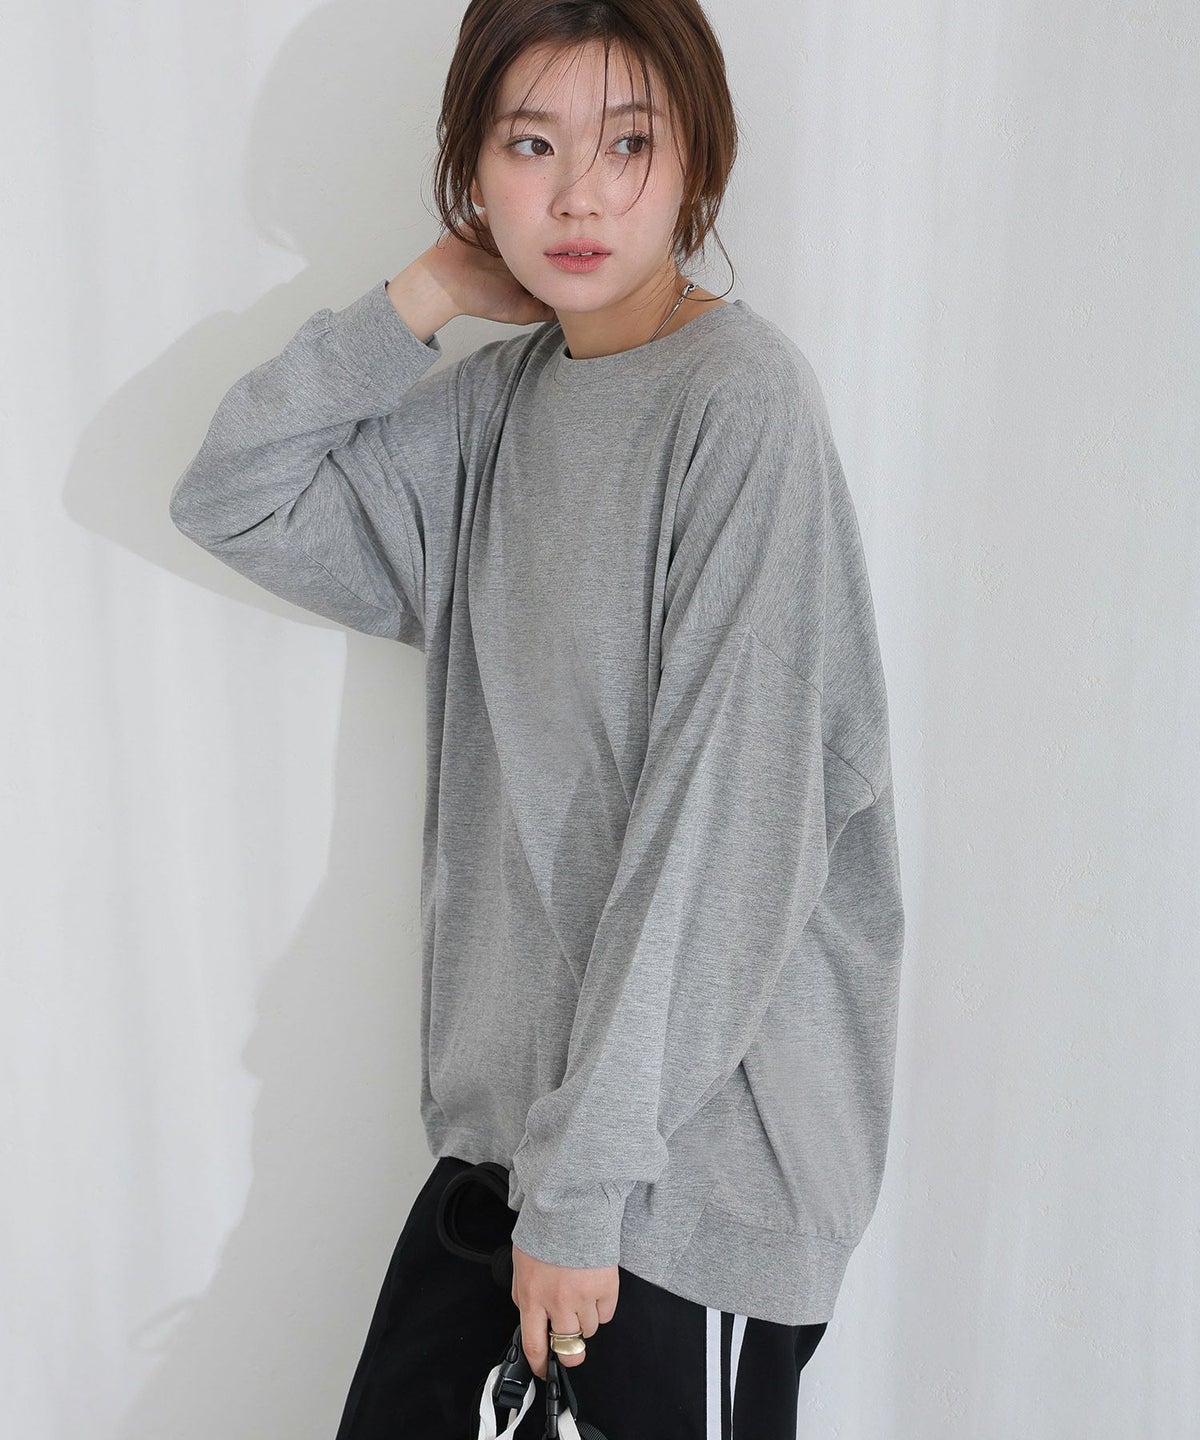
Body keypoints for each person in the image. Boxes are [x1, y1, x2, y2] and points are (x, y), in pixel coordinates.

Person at [169, 0, 905, 1435]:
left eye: (628, 144)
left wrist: (584, 1193)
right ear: (473, 170)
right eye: (529, 145)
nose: (577, 195)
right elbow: (234, 497)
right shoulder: (494, 413)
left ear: (698, 163)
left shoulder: (741, 404)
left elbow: (729, 832)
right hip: (519, 1159)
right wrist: (420, 298)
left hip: (686, 1177)